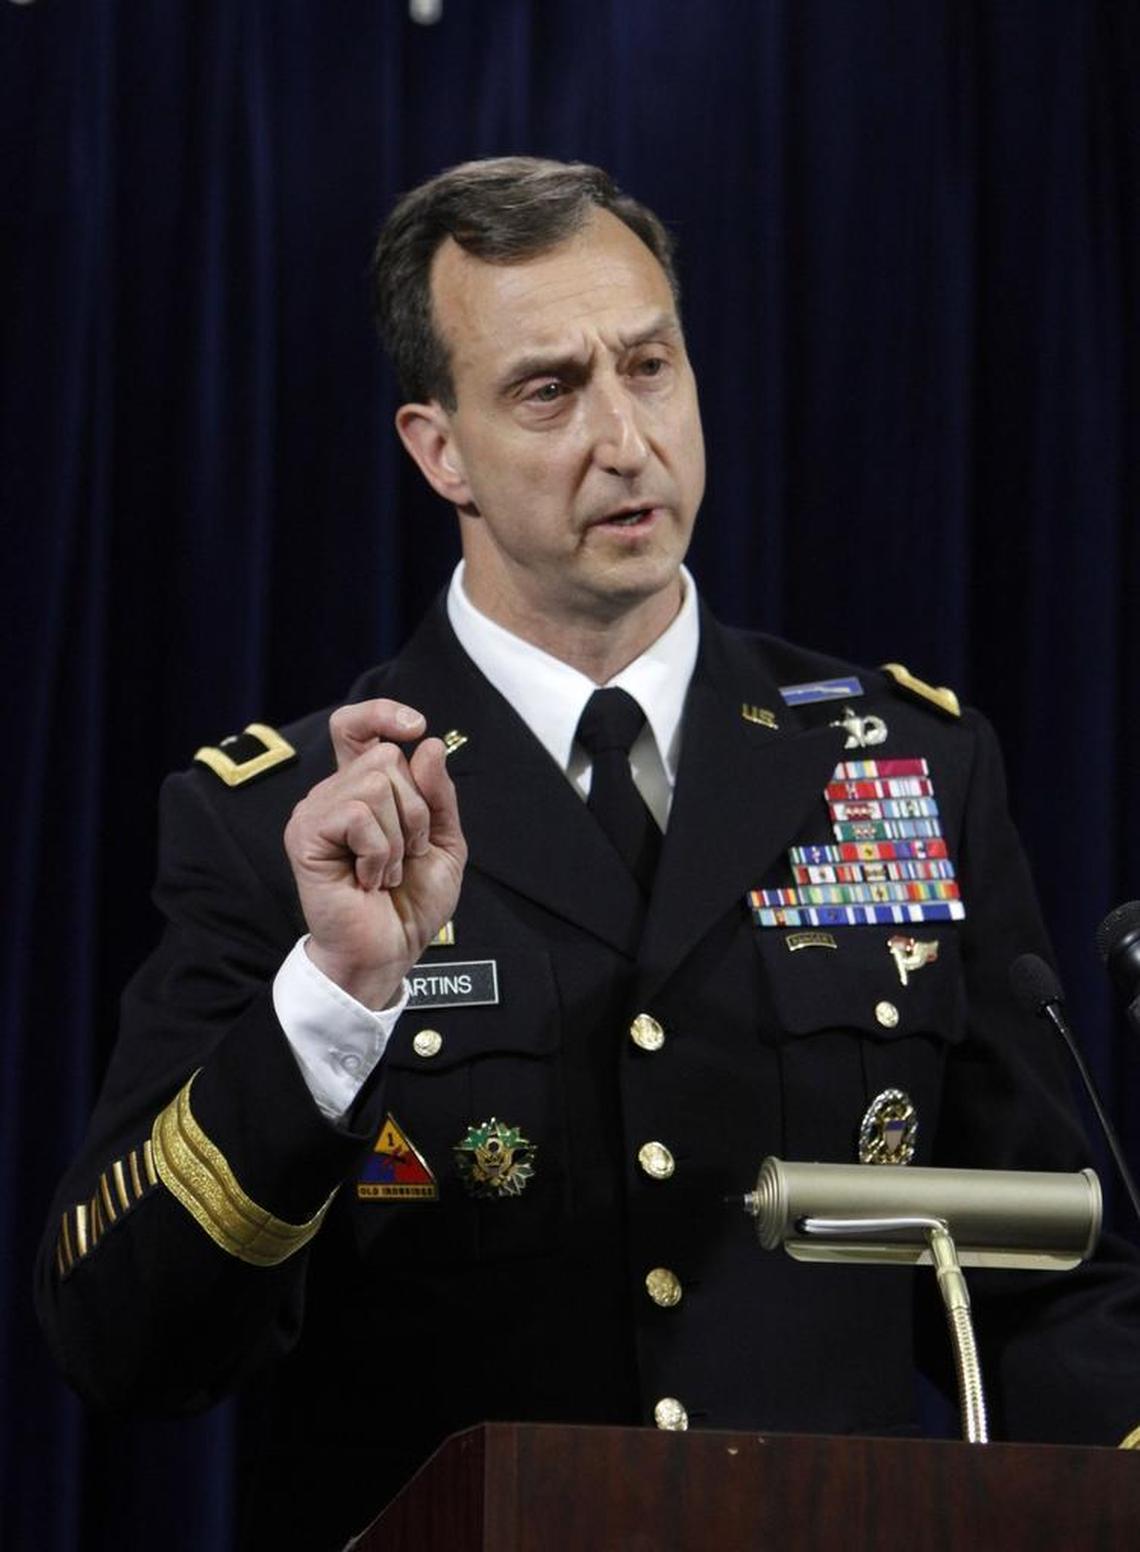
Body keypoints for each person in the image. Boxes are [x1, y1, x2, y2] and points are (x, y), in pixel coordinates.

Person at [37, 157, 1140, 1550]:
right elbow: (121, 1342)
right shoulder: (286, 824)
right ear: (439, 450)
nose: (627, 439)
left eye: (651, 366)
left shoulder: (909, 765)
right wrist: (329, 1003)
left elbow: (1044, 1269)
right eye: (550, 391)